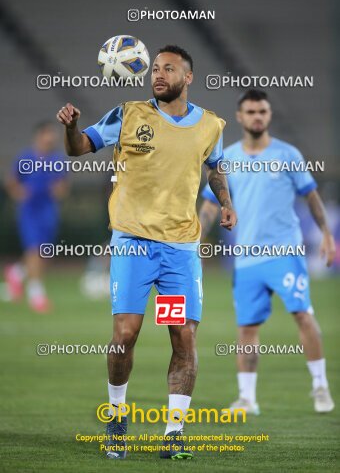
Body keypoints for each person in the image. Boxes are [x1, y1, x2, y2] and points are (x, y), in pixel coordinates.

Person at [56, 45, 237, 460]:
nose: (158, 74)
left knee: (183, 336)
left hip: (177, 251)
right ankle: (117, 418)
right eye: (154, 68)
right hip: (134, 244)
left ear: (187, 77)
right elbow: (79, 147)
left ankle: (173, 434)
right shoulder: (128, 114)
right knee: (125, 334)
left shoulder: (209, 125)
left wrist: (225, 201)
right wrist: (72, 127)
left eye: (168, 69)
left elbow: (216, 166)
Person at [199, 89, 335, 415]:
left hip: (284, 252)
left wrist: (327, 235)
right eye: (250, 111)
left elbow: (311, 196)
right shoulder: (226, 158)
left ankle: (320, 386)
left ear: (269, 115)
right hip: (246, 259)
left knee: (303, 315)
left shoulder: (288, 155)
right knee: (247, 327)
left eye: (262, 111)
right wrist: (197, 238)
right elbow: (209, 204)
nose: (257, 116)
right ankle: (248, 398)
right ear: (239, 116)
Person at [5, 122, 68, 313]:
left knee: (44, 254)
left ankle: (16, 272)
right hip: (30, 210)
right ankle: (36, 294)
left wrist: (58, 191)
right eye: (48, 133)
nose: (52, 137)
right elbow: (12, 181)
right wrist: (19, 193)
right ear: (39, 135)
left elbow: (63, 186)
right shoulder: (26, 157)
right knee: (34, 250)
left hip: (48, 210)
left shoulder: (58, 159)